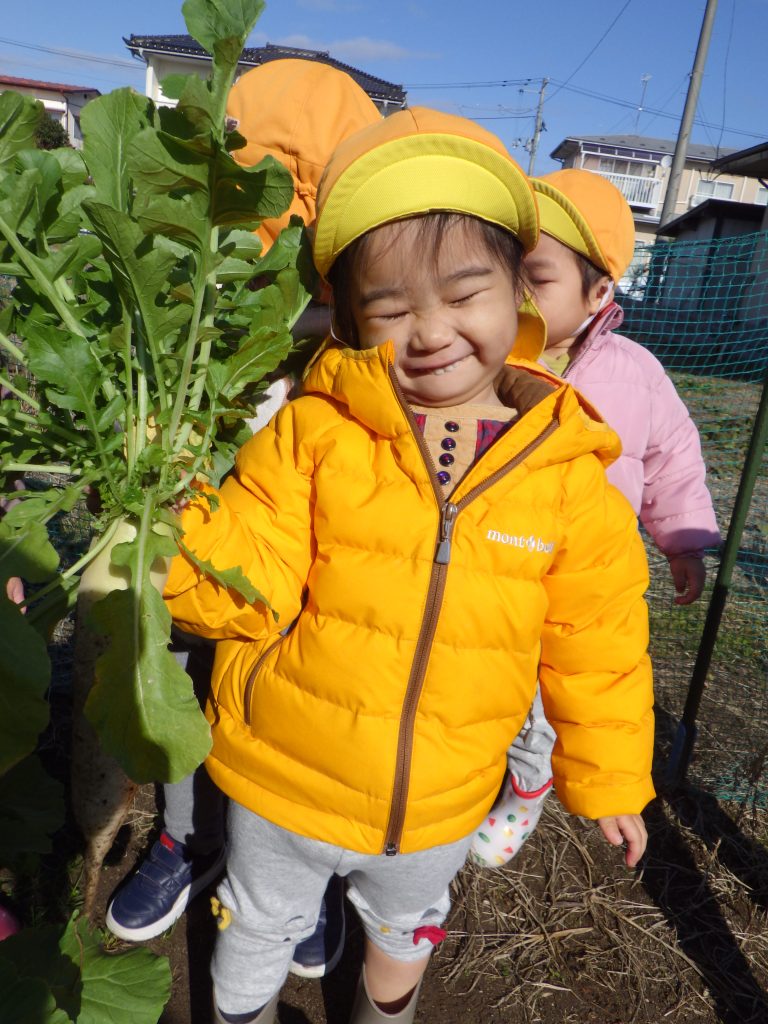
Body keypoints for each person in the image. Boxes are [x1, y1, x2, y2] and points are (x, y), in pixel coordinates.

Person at [164, 108, 656, 1024]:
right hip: (284, 779)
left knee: (406, 930)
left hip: (439, 800)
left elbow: (599, 637)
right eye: (391, 309)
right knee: (257, 925)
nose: (430, 331)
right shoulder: (314, 433)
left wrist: (612, 776)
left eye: (464, 294)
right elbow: (247, 584)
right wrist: (171, 534)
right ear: (352, 318)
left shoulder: (563, 469)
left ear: (518, 293)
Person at [105, 60, 380, 978]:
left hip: (315, 542)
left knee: (311, 689)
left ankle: (307, 872)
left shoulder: (367, 310)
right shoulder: (198, 284)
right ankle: (188, 841)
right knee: (185, 664)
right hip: (211, 523)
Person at [471, 168, 720, 868]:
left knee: (552, 694)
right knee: (485, 673)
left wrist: (682, 540)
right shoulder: (483, 359)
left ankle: (528, 784)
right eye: (506, 272)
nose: (515, 294)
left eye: (537, 279)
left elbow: (672, 454)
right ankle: (472, 764)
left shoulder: (634, 373)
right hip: (499, 560)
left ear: (598, 294)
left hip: (582, 576)